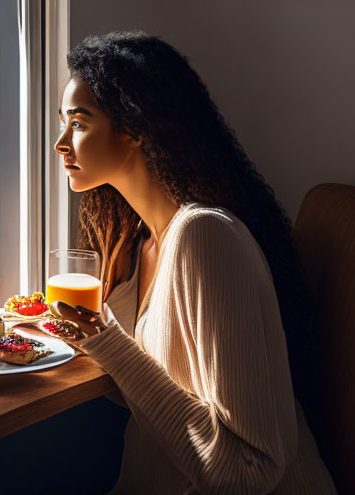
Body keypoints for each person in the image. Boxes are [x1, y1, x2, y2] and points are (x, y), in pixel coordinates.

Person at [49, 31, 336, 494]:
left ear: (134, 128)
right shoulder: (137, 243)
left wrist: (109, 344)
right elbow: (160, 387)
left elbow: (249, 472)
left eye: (79, 123)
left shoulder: (206, 238)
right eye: (63, 122)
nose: (61, 143)